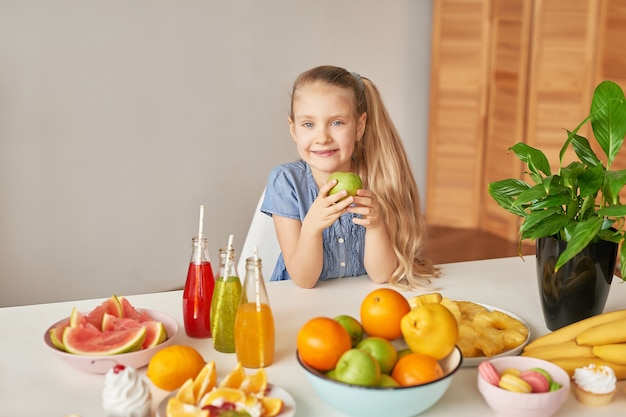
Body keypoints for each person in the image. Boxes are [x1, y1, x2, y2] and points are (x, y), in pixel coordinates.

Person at [261, 65, 439, 289]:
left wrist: (376, 226)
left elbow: (381, 275)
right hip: (303, 308)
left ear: (359, 126)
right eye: (308, 124)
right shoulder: (286, 182)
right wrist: (311, 228)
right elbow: (304, 280)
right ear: (294, 129)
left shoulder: (376, 178)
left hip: (361, 303)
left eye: (336, 123)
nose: (322, 137)